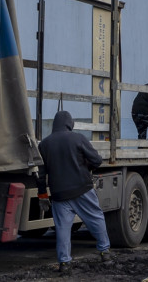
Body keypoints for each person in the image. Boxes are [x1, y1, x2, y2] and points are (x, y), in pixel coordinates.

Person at [37, 110, 111, 274]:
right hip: (82, 189)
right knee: (96, 218)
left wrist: (42, 195)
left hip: (59, 195)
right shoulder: (78, 138)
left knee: (63, 228)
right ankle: (104, 252)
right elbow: (97, 160)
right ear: (69, 123)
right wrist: (87, 167)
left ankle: (64, 263)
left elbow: (41, 174)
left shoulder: (44, 144)